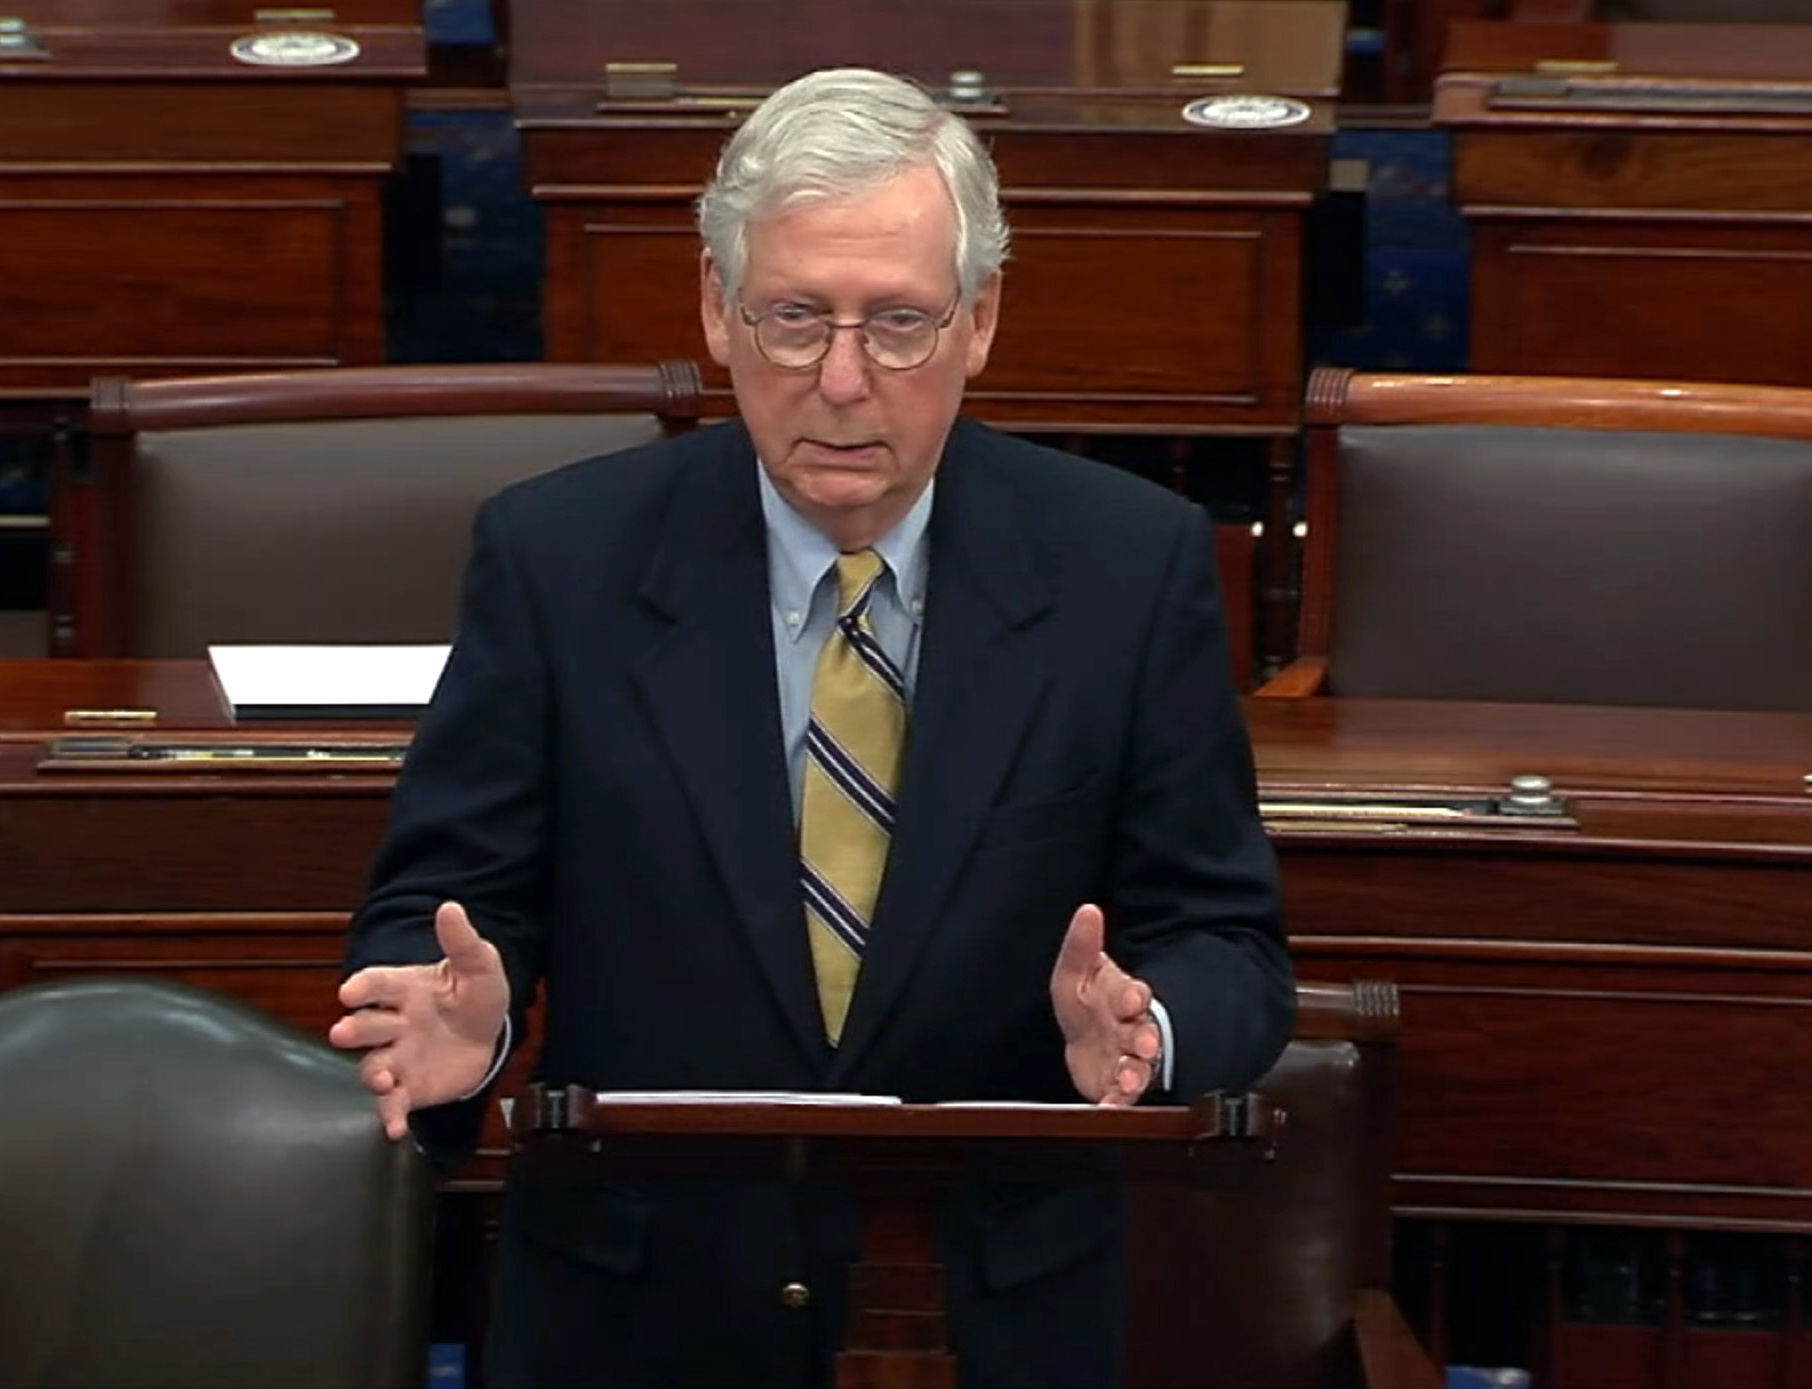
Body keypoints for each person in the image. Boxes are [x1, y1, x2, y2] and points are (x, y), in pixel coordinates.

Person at [330, 65, 1293, 1389]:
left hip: (985, 1316)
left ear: (982, 320)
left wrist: (1152, 1025)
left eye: (899, 322)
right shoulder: (558, 559)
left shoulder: (1130, 568)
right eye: (795, 318)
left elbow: (1228, 938)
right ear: (718, 311)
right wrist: (463, 1027)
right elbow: (444, 905)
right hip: (635, 1321)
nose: (843, 381)